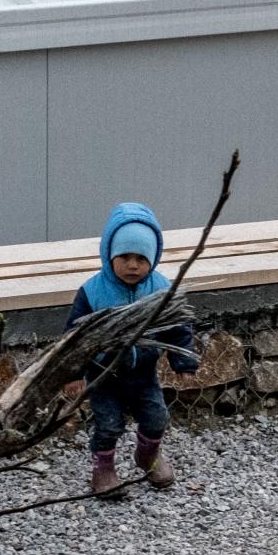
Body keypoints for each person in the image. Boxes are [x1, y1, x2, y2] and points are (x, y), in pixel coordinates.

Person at [67, 202, 198, 499]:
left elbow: (178, 327)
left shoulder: (161, 289)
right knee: (108, 424)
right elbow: (75, 335)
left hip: (143, 373)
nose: (133, 265)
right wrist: (74, 372)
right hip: (103, 374)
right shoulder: (93, 291)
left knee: (156, 417)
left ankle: (147, 456)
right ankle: (103, 470)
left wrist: (184, 360)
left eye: (141, 258)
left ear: (153, 258)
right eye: (124, 257)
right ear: (109, 254)